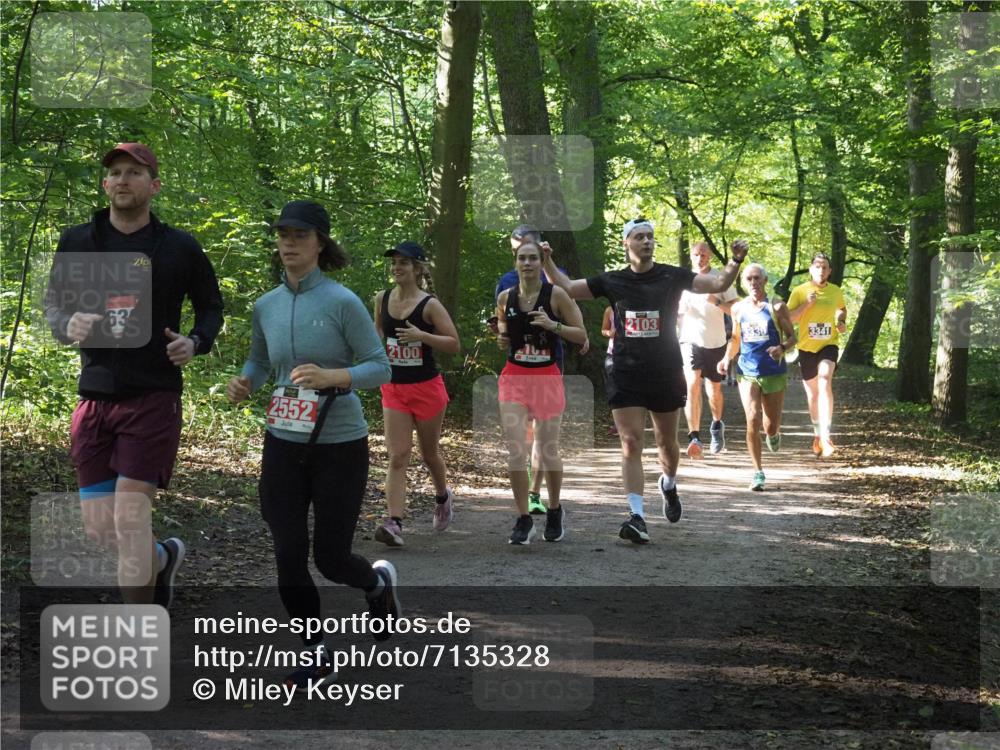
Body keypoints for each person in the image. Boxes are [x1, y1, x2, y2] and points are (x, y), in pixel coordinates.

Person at [226, 200, 398, 691]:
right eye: (282, 233)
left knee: (330, 558)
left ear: (320, 242)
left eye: (299, 235)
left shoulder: (342, 302)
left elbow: (379, 366)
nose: (288, 242)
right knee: (287, 549)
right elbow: (260, 362)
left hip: (339, 444)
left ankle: (375, 583)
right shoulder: (266, 305)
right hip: (282, 440)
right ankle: (314, 650)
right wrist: (245, 382)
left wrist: (334, 376)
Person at [44, 142, 223, 606]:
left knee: (129, 520)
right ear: (105, 184)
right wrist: (67, 324)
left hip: (153, 396)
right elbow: (55, 305)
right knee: (102, 530)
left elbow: (210, 306)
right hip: (96, 395)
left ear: (154, 185)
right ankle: (161, 559)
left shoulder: (178, 247)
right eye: (115, 172)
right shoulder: (78, 241)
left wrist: (195, 342)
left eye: (134, 172)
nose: (123, 179)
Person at [542, 218, 747, 544]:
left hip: (665, 370)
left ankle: (667, 482)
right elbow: (567, 288)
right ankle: (636, 515)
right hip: (625, 370)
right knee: (631, 442)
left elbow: (716, 283)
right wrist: (546, 261)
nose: (647, 241)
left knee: (667, 443)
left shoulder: (672, 276)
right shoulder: (613, 280)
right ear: (627, 244)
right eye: (639, 237)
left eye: (650, 237)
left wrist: (735, 261)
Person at [496, 239, 588, 544]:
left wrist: (552, 325)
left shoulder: (556, 295)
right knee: (516, 450)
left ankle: (554, 509)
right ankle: (523, 518)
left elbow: (580, 334)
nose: (527, 263)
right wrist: (501, 339)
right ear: (515, 262)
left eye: (533, 258)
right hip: (514, 378)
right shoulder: (505, 298)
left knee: (548, 450)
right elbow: (503, 334)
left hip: (546, 377)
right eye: (522, 258)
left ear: (540, 261)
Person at [373, 241, 461, 547]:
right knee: (398, 456)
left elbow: (453, 343)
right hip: (394, 387)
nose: (397, 268)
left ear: (418, 268)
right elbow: (377, 337)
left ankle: (442, 496)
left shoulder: (430, 305)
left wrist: (421, 335)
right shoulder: (382, 299)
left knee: (429, 453)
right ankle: (394, 522)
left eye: (404, 263)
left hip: (427, 387)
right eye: (394, 263)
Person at [717, 263, 797, 491]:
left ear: (765, 281)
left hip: (773, 371)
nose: (753, 283)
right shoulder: (738, 309)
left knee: (770, 425)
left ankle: (773, 434)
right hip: (747, 371)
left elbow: (793, 337)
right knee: (752, 418)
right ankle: (758, 472)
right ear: (744, 283)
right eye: (749, 279)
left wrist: (781, 347)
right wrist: (725, 359)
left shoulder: (777, 306)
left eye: (757, 279)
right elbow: (735, 339)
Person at [677, 242, 739, 457]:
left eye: (703, 254)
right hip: (689, 340)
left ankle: (716, 426)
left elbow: (736, 309)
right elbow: (677, 313)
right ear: (691, 256)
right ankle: (694, 436)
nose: (700, 258)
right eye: (696, 254)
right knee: (692, 385)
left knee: (713, 391)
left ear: (710, 256)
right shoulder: (684, 280)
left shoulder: (719, 279)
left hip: (716, 342)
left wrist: (716, 303)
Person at [787, 252, 847, 458]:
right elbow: (790, 319)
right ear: (811, 269)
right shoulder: (800, 291)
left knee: (824, 380)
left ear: (830, 271)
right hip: (806, 348)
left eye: (825, 267)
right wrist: (807, 305)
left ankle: (826, 434)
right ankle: (817, 434)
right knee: (812, 396)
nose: (821, 270)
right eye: (817, 266)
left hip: (828, 345)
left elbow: (841, 309)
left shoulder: (835, 291)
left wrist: (840, 321)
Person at [601, 305, 618, 436]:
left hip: (632, 355)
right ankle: (617, 424)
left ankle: (631, 423)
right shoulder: (609, 310)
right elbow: (603, 330)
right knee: (613, 390)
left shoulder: (635, 306)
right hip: (612, 355)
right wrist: (610, 333)